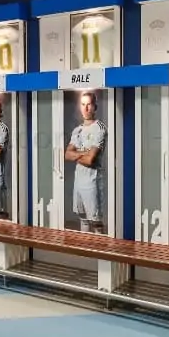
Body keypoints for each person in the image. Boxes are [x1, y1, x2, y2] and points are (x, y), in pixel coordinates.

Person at [64, 92, 107, 234]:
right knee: (82, 217)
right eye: (83, 104)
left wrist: (77, 154)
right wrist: (84, 152)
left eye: (89, 104)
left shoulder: (99, 128)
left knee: (96, 221)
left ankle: (100, 253)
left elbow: (90, 160)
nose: (86, 108)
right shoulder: (77, 130)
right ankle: (86, 251)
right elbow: (67, 155)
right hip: (79, 181)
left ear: (95, 107)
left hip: (92, 181)